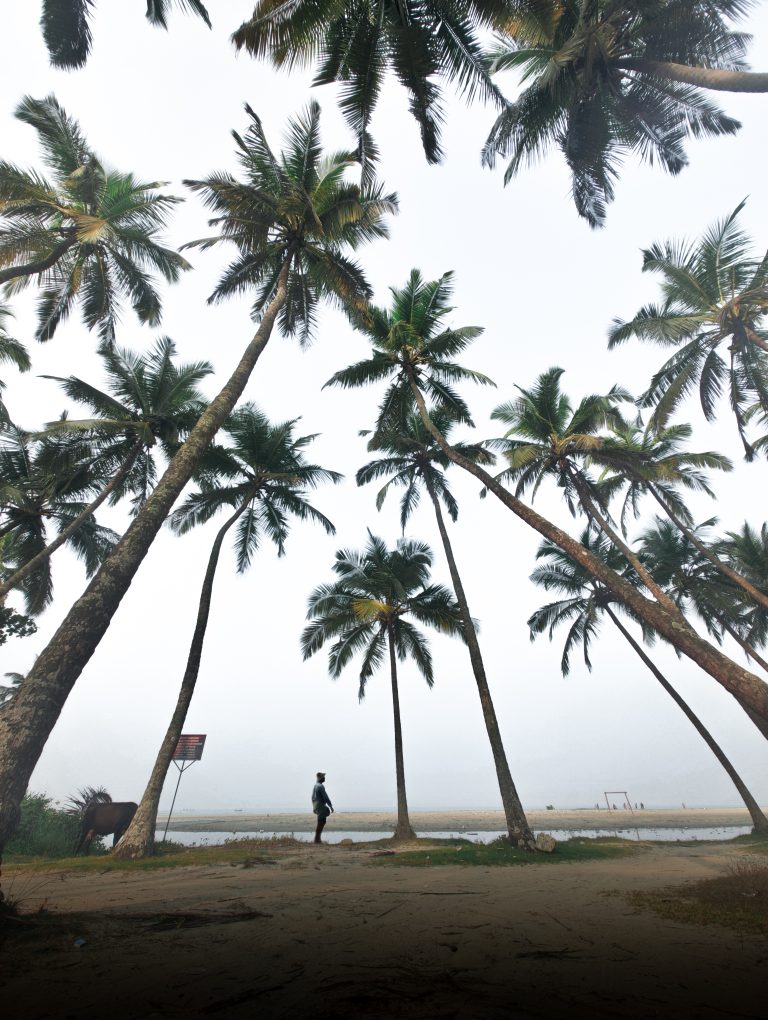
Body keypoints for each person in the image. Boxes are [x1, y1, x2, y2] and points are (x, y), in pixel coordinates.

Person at [312, 771, 333, 844]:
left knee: (321, 821)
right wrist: (330, 806)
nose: (324, 778)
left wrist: (313, 807)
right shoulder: (320, 786)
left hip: (316, 804)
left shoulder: (315, 785)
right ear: (320, 778)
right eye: (323, 777)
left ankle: (317, 839)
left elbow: (312, 797)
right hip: (320, 804)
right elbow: (325, 797)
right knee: (321, 821)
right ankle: (317, 839)